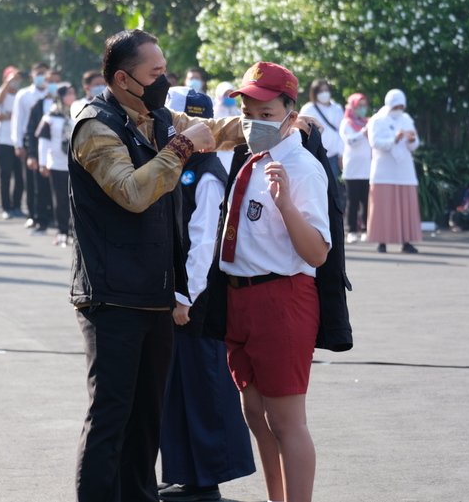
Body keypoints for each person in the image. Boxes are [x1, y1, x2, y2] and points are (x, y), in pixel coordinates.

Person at [69, 28, 244, 502]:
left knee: (147, 421)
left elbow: (219, 131)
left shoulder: (158, 116)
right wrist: (183, 148)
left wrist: (276, 123)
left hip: (155, 293)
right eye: (156, 72)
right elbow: (132, 191)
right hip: (110, 296)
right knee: (111, 416)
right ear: (123, 79)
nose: (164, 79)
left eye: (165, 69)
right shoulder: (95, 126)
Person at [217, 61, 331, 502]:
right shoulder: (254, 158)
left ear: (290, 112)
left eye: (265, 114)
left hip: (282, 299)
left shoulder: (301, 168)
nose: (253, 123)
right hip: (240, 299)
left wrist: (286, 206)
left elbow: (318, 253)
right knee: (257, 416)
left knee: (286, 421)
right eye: (247, 112)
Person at [159, 87, 256, 502]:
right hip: (180, 297)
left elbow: (203, 244)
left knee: (202, 387)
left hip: (194, 301)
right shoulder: (187, 164)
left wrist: (185, 298)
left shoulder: (206, 172)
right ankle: (185, 474)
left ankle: (205, 481)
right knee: (179, 388)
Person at [366, 89, 421, 254]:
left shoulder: (406, 119)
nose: (399, 109)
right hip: (384, 170)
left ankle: (406, 241)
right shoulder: (377, 120)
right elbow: (374, 142)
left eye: (401, 106)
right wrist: (394, 139)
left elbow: (415, 143)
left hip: (404, 170)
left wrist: (412, 140)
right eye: (396, 105)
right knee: (384, 207)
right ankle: (382, 241)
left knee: (406, 206)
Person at [12, 62, 51, 229]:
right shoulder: (24, 94)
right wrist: (18, 143)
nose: (41, 76)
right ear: (32, 76)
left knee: (47, 181)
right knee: (30, 180)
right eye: (38, 73)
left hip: (50, 143)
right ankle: (32, 214)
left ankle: (48, 214)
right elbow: (17, 119)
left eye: (44, 73)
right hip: (30, 143)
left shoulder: (53, 94)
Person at [38, 83, 75, 247]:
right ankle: (62, 232)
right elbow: (43, 142)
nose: (72, 96)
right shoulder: (50, 117)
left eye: (73, 93)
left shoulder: (77, 113)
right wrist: (43, 163)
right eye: (69, 93)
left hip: (74, 164)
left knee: (74, 200)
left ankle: (74, 231)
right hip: (57, 163)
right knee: (60, 199)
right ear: (61, 96)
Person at [0, 66, 25, 219]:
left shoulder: (20, 96)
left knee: (19, 176)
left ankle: (16, 206)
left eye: (17, 79)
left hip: (17, 141)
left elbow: (19, 117)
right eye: (13, 79)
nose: (15, 82)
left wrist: (10, 116)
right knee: (5, 174)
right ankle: (6, 207)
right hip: (3, 140)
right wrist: (8, 82)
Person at [339, 93, 372, 244]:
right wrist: (362, 133)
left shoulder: (367, 122)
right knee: (353, 201)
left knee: (366, 201)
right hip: (352, 168)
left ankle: (366, 229)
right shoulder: (346, 123)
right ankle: (351, 230)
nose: (362, 109)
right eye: (360, 105)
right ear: (353, 106)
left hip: (367, 168)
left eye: (365, 105)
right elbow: (350, 140)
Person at [299, 78, 345, 183]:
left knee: (332, 189)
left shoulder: (337, 108)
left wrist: (341, 154)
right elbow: (302, 131)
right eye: (320, 91)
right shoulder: (308, 109)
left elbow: (341, 133)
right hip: (315, 155)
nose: (324, 93)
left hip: (333, 156)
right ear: (314, 93)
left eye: (326, 90)